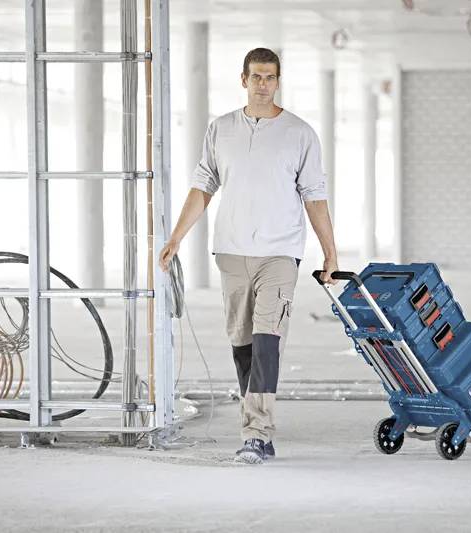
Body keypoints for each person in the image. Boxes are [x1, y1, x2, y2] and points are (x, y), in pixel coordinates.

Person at [159, 48, 339, 464]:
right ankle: (255, 419)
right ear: (243, 80)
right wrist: (176, 238)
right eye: (256, 77)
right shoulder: (221, 129)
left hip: (280, 253)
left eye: (270, 77)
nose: (263, 84)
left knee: (266, 341)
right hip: (232, 251)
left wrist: (330, 253)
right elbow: (204, 185)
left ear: (278, 81)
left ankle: (257, 432)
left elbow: (315, 197)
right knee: (241, 344)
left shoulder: (299, 133)